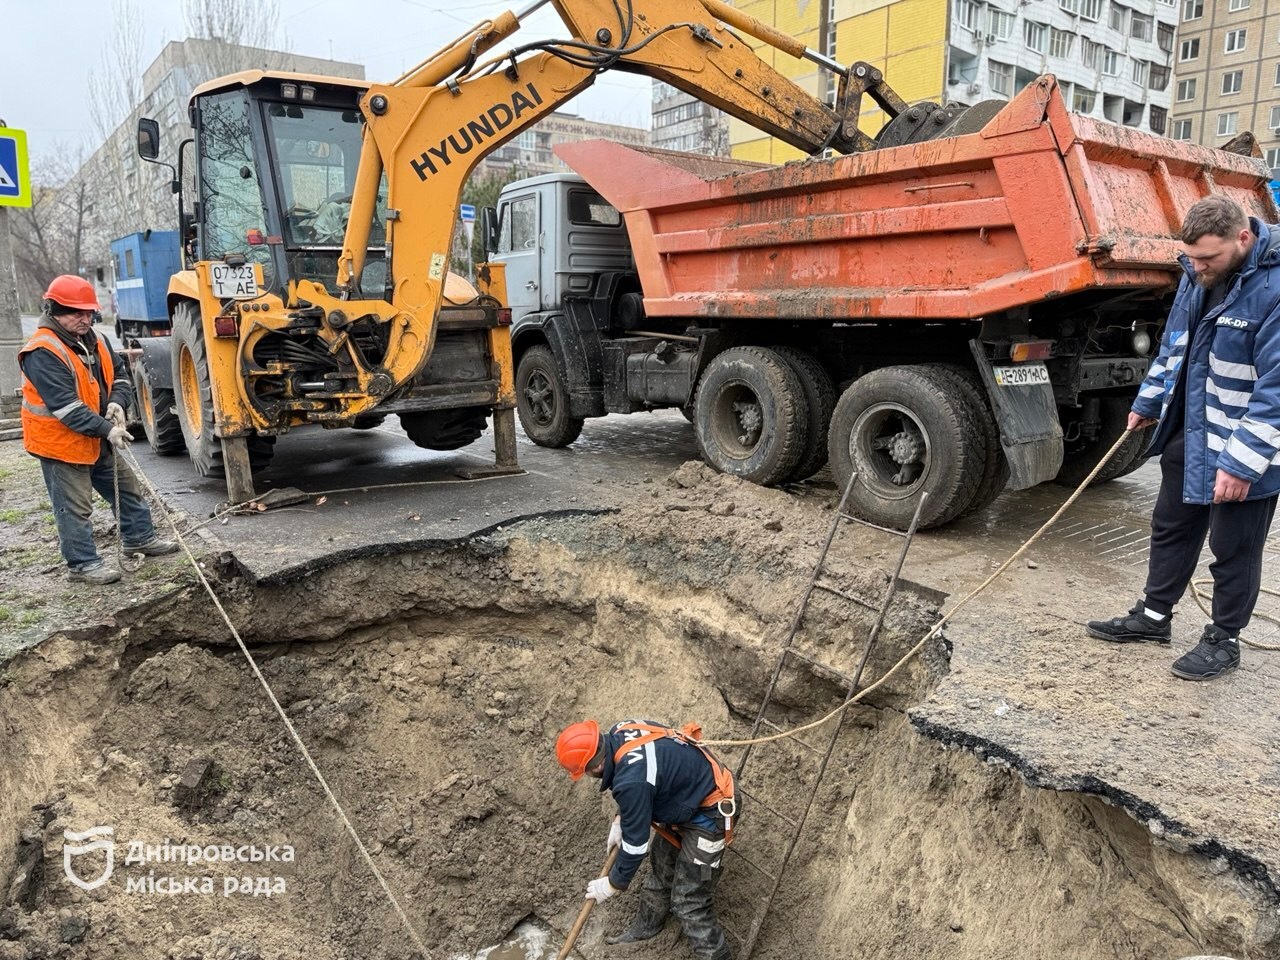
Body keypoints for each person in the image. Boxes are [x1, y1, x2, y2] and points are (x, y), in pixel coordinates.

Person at [1087, 196, 1280, 680]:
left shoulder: (1274, 289)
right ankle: (1154, 616)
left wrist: (1240, 463)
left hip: (1246, 443)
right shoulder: (1198, 274)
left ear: (1243, 238)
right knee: (1171, 525)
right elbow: (1175, 344)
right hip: (1192, 431)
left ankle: (1224, 639)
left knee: (1235, 544)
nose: (1196, 268)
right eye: (1191, 258)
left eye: (1207, 259)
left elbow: (1277, 388)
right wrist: (1148, 403)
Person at [19, 275, 177, 584]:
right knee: (75, 508)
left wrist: (117, 402)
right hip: (60, 444)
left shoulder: (97, 339)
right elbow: (65, 407)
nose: (84, 319)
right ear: (53, 310)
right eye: (75, 313)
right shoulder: (42, 351)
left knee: (127, 488)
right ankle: (82, 564)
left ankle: (139, 538)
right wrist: (107, 429)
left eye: (88, 312)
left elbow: (119, 375)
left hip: (96, 436)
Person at [556, 719, 737, 960]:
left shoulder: (631, 782)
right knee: (662, 864)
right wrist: (622, 818)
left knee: (689, 900)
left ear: (595, 767)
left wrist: (612, 883)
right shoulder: (621, 729)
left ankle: (718, 956)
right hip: (685, 793)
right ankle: (647, 927)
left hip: (711, 813)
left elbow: (635, 847)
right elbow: (645, 777)